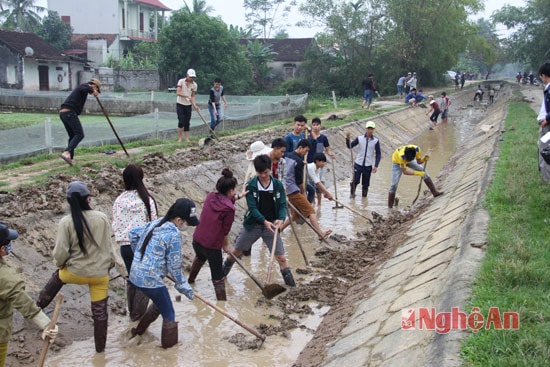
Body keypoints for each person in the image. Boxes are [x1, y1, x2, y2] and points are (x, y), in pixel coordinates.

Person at [36, 181, 114, 353]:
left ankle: (37, 309)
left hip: (73, 273)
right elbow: (109, 247)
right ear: (88, 199)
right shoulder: (101, 218)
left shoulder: (66, 222)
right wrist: (111, 266)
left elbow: (61, 251)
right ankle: (100, 351)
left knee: (57, 278)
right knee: (100, 313)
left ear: (70, 202)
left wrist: (60, 265)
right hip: (99, 275)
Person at [128, 198, 198, 348]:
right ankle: (169, 353)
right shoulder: (174, 234)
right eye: (187, 223)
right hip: (149, 278)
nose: (187, 226)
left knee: (160, 303)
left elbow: (132, 234)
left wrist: (140, 257)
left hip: (134, 273)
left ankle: (137, 332)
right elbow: (174, 265)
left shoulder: (156, 222)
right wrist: (182, 284)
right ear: (179, 220)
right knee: (169, 314)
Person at [222, 155, 295, 287]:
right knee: (236, 252)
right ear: (256, 171)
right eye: (260, 172)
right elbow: (253, 208)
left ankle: (292, 287)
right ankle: (221, 277)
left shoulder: (277, 185)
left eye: (266, 172)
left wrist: (280, 219)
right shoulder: (251, 185)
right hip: (253, 225)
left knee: (281, 258)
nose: (263, 175)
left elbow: (283, 205)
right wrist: (264, 221)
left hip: (272, 225)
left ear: (270, 169)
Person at [0, 222, 58, 367]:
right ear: (2, 249)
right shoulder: (5, 277)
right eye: (8, 243)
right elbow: (24, 304)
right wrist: (46, 324)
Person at [112, 164, 158, 321]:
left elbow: (116, 225)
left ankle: (132, 315)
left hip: (125, 248)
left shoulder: (119, 201)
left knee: (133, 280)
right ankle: (138, 318)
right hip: (142, 247)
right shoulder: (147, 200)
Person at [190, 169, 240, 301]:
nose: (234, 193)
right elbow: (225, 230)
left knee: (199, 258)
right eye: (234, 190)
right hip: (212, 246)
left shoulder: (211, 196)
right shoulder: (229, 209)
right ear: (230, 191)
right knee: (218, 278)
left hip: (197, 239)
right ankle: (222, 304)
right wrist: (226, 245)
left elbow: (225, 200)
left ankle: (189, 282)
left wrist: (238, 197)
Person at [283, 139, 332, 239]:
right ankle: (320, 233)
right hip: (293, 190)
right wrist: (303, 192)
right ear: (300, 148)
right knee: (311, 211)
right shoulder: (299, 162)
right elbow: (300, 182)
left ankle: (279, 230)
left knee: (296, 216)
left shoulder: (286, 155)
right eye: (306, 151)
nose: (306, 153)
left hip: (285, 188)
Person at [59, 78, 101, 165]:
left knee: (72, 136)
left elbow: (85, 90)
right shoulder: (84, 86)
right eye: (97, 89)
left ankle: (69, 157)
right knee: (80, 134)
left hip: (64, 114)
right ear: (94, 85)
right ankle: (66, 152)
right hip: (69, 113)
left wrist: (93, 91)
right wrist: (93, 90)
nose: (96, 91)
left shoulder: (84, 90)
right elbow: (84, 88)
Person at [346, 121, 381, 198]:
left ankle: (364, 199)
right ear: (366, 129)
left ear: (373, 129)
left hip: (368, 165)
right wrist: (347, 138)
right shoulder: (359, 138)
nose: (370, 130)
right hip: (358, 163)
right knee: (355, 181)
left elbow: (378, 154)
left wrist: (376, 166)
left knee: (365, 184)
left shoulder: (375, 141)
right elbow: (350, 146)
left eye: (371, 129)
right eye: (368, 128)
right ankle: (352, 195)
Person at [176, 69, 198, 143]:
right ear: (187, 75)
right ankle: (179, 138)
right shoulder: (181, 81)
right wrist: (186, 96)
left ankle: (186, 138)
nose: (192, 78)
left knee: (187, 122)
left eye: (193, 77)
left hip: (188, 105)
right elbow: (178, 92)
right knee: (181, 121)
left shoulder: (194, 85)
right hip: (180, 104)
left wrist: (194, 105)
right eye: (191, 77)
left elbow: (193, 96)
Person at [537, 61, 550, 183]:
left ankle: (546, 180)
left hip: (548, 126)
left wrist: (547, 119)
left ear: (544, 76)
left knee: (545, 150)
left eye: (541, 76)